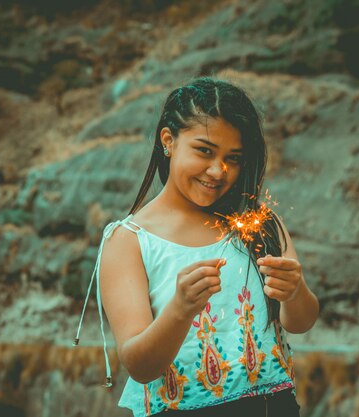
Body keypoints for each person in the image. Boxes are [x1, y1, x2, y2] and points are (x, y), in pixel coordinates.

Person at [74, 76, 320, 416]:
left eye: (233, 158)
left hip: (271, 407)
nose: (218, 171)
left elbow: (301, 322)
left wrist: (294, 291)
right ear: (168, 141)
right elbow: (139, 366)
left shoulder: (259, 225)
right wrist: (180, 309)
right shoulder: (129, 240)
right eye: (204, 150)